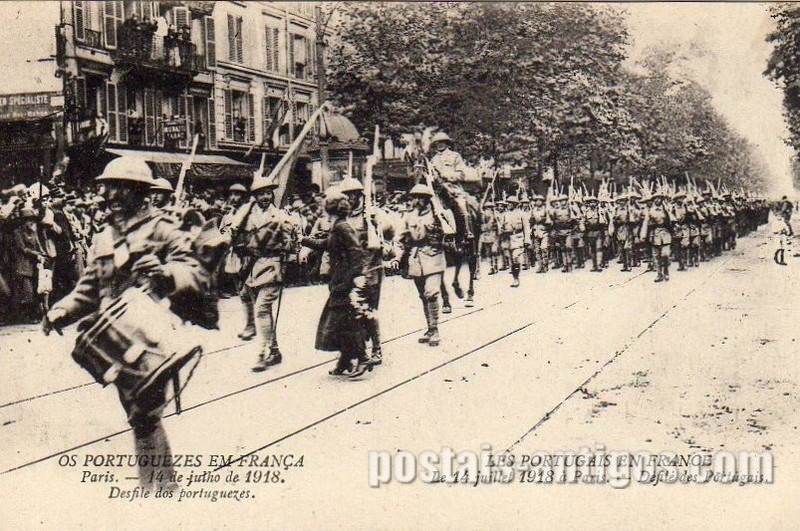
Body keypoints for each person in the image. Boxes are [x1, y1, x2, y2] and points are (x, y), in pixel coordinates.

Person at [42, 156, 209, 492]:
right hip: (115, 339)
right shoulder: (104, 236)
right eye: (108, 188)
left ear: (139, 192)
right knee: (140, 415)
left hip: (152, 334)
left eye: (119, 188)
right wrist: (60, 311)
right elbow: (90, 288)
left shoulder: (162, 229)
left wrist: (165, 273)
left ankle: (156, 490)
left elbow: (196, 271)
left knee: (143, 413)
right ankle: (162, 485)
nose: (110, 195)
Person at [302, 188, 375, 378]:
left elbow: (357, 252)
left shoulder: (342, 226)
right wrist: (303, 240)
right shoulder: (338, 226)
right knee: (341, 322)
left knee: (344, 322)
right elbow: (327, 244)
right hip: (340, 280)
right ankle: (345, 360)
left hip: (345, 282)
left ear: (329, 209)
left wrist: (351, 279)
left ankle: (362, 357)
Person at [241, 177, 296, 372]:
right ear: (254, 196)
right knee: (263, 311)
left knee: (261, 310)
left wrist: (286, 241)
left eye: (268, 193)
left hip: (273, 267)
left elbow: (291, 245)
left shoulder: (280, 216)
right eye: (260, 193)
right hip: (253, 267)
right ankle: (274, 350)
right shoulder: (246, 216)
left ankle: (261, 353)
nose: (265, 196)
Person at [401, 184, 454, 347]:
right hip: (416, 258)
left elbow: (451, 230)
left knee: (431, 293)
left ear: (426, 199)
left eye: (419, 197)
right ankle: (429, 329)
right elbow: (401, 237)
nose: (416, 200)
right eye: (414, 197)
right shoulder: (409, 216)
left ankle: (435, 329)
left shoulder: (438, 213)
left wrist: (442, 219)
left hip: (434, 256)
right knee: (423, 296)